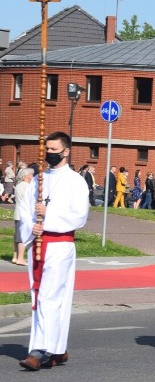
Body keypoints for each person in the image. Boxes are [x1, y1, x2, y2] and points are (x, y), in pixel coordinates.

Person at [17, 132, 89, 371]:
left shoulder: (75, 181)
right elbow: (27, 212)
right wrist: (33, 226)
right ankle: (57, 348)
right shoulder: (39, 180)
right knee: (39, 297)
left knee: (50, 297)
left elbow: (79, 216)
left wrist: (48, 216)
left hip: (60, 245)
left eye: (53, 149)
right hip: (37, 244)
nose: (49, 153)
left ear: (66, 151)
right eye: (46, 148)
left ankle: (39, 351)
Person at [12, 167, 35, 266]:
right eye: (31, 174)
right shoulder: (27, 186)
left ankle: (15, 256)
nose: (32, 176)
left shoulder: (19, 185)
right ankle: (20, 258)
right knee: (22, 236)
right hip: (24, 213)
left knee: (17, 236)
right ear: (27, 176)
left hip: (17, 212)